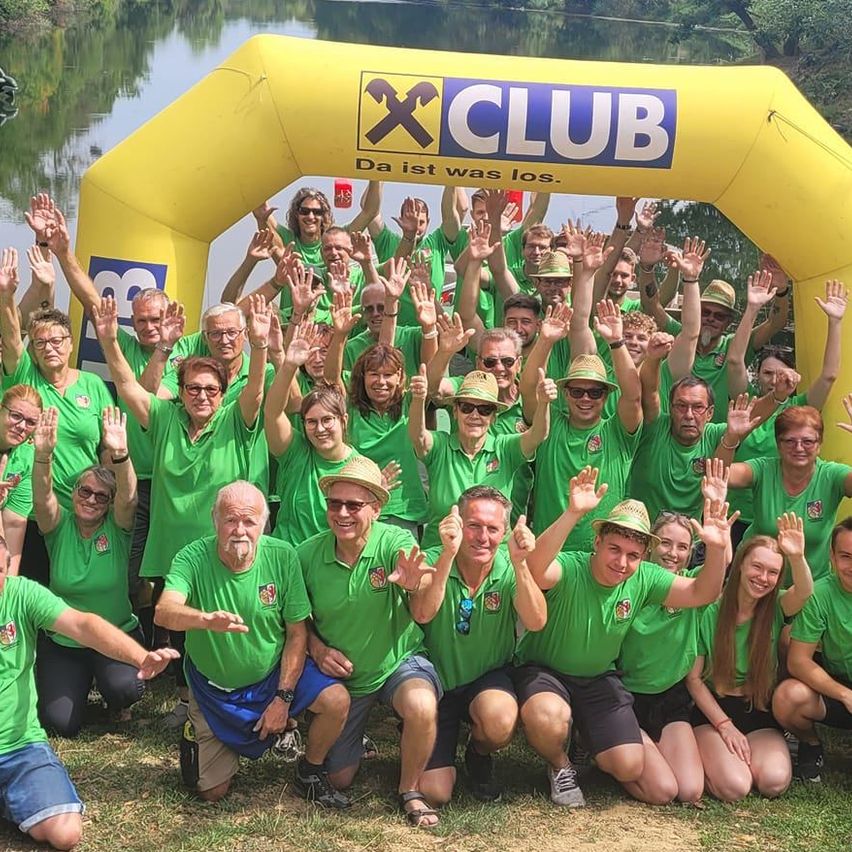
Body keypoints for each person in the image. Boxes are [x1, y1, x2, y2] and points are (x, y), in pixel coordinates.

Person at [93, 294, 270, 725]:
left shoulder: (235, 419)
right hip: (175, 546)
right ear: (182, 392)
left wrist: (261, 347)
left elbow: (258, 388)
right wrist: (109, 341)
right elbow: (128, 385)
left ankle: (231, 697)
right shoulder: (166, 418)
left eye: (211, 389)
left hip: (221, 546)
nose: (202, 396)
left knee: (221, 622)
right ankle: (188, 698)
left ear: (222, 393)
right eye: (193, 388)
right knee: (184, 625)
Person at [514, 467, 731, 807]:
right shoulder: (572, 565)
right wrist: (572, 513)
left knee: (630, 765)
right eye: (614, 549)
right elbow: (537, 568)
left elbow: (701, 593)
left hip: (598, 678)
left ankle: (587, 736)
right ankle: (560, 765)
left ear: (643, 556)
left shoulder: (644, 577)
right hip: (546, 671)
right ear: (597, 542)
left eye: (633, 555)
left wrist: (717, 550)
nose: (622, 562)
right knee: (547, 717)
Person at [155, 481, 351, 807]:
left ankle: (310, 768)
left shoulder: (282, 556)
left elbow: (297, 633)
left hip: (272, 676)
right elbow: (164, 611)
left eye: (249, 521)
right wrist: (204, 620)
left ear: (264, 522)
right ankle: (203, 729)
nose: (240, 530)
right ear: (214, 520)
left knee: (336, 700)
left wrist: (283, 698)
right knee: (211, 792)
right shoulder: (192, 556)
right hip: (215, 689)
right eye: (230, 520)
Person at [0, 532, 177, 850]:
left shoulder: (20, 594)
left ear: (9, 565)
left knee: (66, 833)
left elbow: (83, 625)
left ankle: (15, 796)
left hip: (19, 747)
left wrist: (141, 657)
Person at [296, 456, 443, 828]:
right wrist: (317, 648)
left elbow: (416, 579)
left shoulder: (395, 539)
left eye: (354, 505)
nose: (342, 513)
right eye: (334, 503)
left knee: (422, 705)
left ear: (376, 509)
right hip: (345, 676)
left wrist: (415, 584)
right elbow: (296, 621)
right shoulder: (307, 554)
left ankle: (410, 790)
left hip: (396, 662)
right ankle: (348, 745)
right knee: (340, 778)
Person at [416, 488, 547, 805]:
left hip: (486, 677)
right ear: (458, 523)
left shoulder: (508, 565)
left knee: (499, 720)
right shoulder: (433, 557)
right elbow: (422, 612)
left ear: (505, 533)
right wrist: (447, 555)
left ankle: (478, 753)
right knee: (435, 792)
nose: (482, 537)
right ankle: (420, 731)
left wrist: (521, 564)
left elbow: (536, 620)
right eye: (473, 525)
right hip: (436, 682)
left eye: (493, 529)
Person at [616, 459, 733, 805]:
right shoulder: (630, 581)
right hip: (625, 697)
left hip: (669, 698)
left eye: (683, 547)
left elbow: (715, 579)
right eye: (665, 543)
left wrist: (716, 540)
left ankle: (652, 754)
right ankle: (600, 749)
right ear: (651, 544)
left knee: (690, 790)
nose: (673, 553)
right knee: (663, 791)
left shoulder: (690, 587)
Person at [0, 248, 113, 585]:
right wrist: (7, 295)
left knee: (68, 599)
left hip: (78, 517)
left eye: (57, 340)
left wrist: (109, 495)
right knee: (21, 593)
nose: (49, 347)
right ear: (32, 349)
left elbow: (106, 448)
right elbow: (9, 335)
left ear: (70, 342)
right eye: (40, 342)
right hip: (26, 515)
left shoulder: (93, 385)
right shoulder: (25, 378)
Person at [686, 514, 813, 802]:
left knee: (774, 782)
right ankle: (708, 755)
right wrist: (725, 726)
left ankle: (736, 760)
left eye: (772, 572)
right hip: (714, 711)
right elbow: (693, 679)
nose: (763, 578)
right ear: (741, 564)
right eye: (757, 566)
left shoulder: (776, 607)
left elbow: (804, 591)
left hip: (757, 709)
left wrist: (796, 556)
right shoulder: (709, 608)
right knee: (735, 787)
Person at [32, 406, 143, 736]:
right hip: (65, 642)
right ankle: (78, 687)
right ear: (74, 493)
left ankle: (113, 697)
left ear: (109, 503)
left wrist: (120, 454)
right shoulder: (57, 524)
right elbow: (42, 497)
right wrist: (43, 456)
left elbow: (130, 498)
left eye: (101, 496)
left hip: (114, 635)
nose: (92, 499)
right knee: (59, 723)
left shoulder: (117, 527)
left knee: (124, 688)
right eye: (85, 491)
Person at [724, 275, 846, 546]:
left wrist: (835, 321)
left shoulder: (802, 409)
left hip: (786, 517)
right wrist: (753, 308)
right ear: (757, 375)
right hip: (738, 516)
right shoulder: (747, 407)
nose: (775, 380)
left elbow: (829, 376)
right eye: (767, 373)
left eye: (782, 374)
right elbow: (734, 361)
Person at [523, 305, 643, 551]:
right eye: (577, 391)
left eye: (595, 392)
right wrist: (545, 341)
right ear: (565, 394)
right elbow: (527, 389)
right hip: (549, 553)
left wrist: (617, 342)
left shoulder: (617, 432)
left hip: (600, 557)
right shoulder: (551, 423)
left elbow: (633, 397)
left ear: (607, 395)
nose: (585, 398)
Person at [409, 368, 555, 549]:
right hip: (440, 550)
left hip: (493, 553)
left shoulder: (504, 448)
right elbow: (418, 437)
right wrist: (418, 400)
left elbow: (537, 435)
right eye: (467, 407)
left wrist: (544, 404)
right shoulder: (441, 445)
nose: (475, 415)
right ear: (455, 411)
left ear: (493, 417)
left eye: (485, 410)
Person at [722, 406, 852, 579]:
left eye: (807, 441)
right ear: (778, 444)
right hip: (754, 578)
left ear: (819, 444)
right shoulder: (763, 469)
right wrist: (731, 438)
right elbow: (718, 474)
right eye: (790, 441)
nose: (799, 448)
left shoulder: (832, 476)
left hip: (809, 585)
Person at [630, 375, 776, 524]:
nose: (689, 415)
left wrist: (778, 396)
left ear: (710, 413)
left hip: (690, 540)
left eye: (698, 407)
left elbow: (751, 417)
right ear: (671, 409)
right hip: (641, 532)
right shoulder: (655, 427)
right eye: (681, 406)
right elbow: (650, 391)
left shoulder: (713, 435)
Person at [264, 325, 358, 545]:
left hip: (328, 566)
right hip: (288, 560)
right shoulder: (295, 451)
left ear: (343, 421)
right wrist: (288, 364)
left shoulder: (359, 466)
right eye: (311, 422)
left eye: (327, 420)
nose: (320, 428)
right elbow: (272, 412)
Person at [773, 518, 852, 781]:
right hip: (838, 686)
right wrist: (844, 694)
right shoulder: (820, 593)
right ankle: (811, 744)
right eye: (846, 556)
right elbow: (798, 661)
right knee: (787, 698)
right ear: (831, 556)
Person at [334, 343, 427, 537]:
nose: (381, 381)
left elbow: (433, 379)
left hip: (403, 511)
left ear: (399, 376)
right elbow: (331, 377)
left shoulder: (409, 402)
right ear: (363, 377)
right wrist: (341, 336)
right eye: (374, 374)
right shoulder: (352, 408)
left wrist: (432, 336)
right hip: (358, 508)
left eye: (388, 375)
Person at [0, 384, 41, 574]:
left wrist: (8, 586)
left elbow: (13, 526)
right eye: (16, 416)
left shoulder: (26, 457)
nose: (22, 426)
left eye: (31, 422)